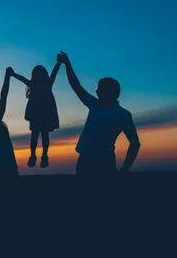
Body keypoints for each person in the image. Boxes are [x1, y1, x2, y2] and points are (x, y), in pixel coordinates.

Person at [57, 51, 140, 180]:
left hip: (104, 164)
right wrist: (67, 64)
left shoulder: (122, 114)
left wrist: (125, 169)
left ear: (111, 92)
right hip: (84, 160)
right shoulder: (94, 104)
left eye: (100, 89)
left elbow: (135, 143)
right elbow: (76, 86)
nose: (96, 91)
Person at [11, 61, 61, 168]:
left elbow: (54, 72)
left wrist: (13, 74)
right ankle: (40, 156)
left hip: (39, 113)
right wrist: (59, 62)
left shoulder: (42, 84)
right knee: (41, 135)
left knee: (38, 135)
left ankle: (38, 156)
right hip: (40, 113)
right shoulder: (45, 83)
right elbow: (54, 72)